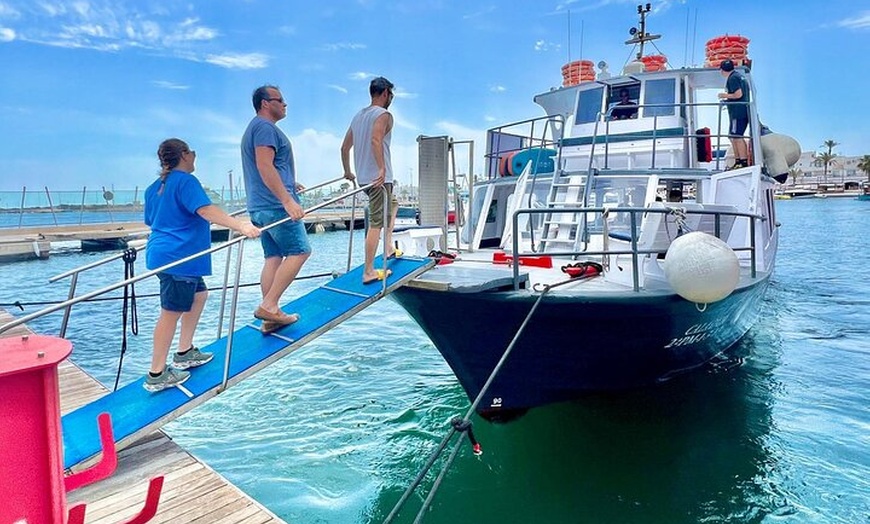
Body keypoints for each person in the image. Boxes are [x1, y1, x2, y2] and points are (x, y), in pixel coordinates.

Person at [144, 138, 260, 392]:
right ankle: (156, 373)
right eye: (193, 152)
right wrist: (241, 225)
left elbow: (152, 219)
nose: (195, 157)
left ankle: (184, 351)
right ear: (184, 155)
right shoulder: (185, 181)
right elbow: (206, 211)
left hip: (168, 255)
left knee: (199, 295)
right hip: (178, 258)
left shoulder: (154, 187)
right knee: (170, 313)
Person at [241, 85, 311, 333]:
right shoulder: (265, 128)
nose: (285, 104)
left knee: (273, 257)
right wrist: (287, 200)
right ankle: (269, 305)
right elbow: (265, 165)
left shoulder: (255, 128)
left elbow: (271, 167)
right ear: (265, 104)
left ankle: (270, 315)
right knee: (301, 251)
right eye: (279, 100)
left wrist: (290, 183)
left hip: (259, 206)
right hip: (274, 205)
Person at [340, 76, 400, 285]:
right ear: (385, 93)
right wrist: (382, 168)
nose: (391, 98)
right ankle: (368, 271)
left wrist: (348, 171)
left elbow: (344, 147)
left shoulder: (358, 116)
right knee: (376, 223)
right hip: (378, 179)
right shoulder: (384, 115)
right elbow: (376, 139)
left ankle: (389, 247)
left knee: (393, 205)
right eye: (391, 95)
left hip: (364, 178)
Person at [717, 59, 750, 169]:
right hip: (740, 111)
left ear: (722, 70)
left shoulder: (732, 78)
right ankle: (739, 161)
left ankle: (742, 162)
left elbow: (738, 94)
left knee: (736, 136)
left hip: (738, 113)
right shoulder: (739, 76)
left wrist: (724, 96)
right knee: (733, 136)